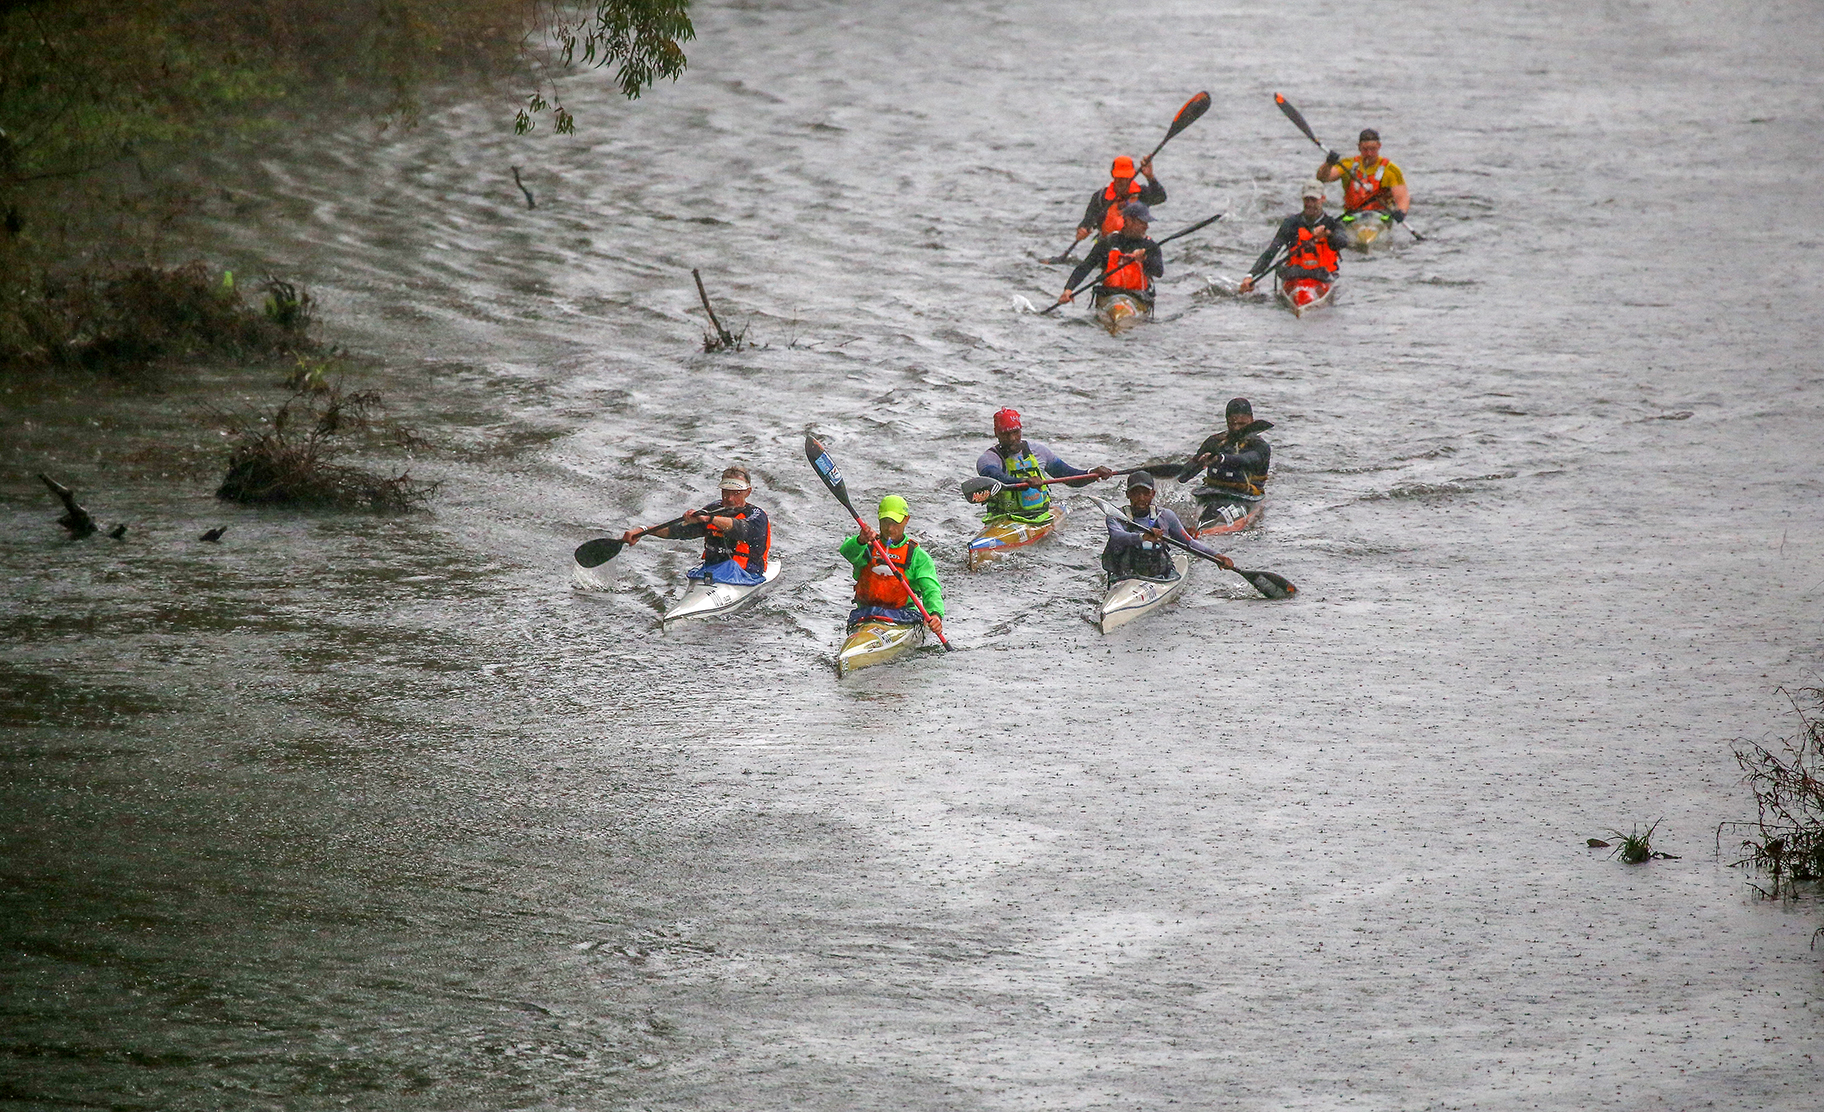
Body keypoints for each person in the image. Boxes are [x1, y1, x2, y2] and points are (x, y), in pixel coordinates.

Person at [621, 466, 770, 585]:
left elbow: (741, 528)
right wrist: (645, 530)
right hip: (711, 572)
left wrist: (709, 519)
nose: (730, 499)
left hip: (746, 575)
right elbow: (677, 531)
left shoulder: (757, 515)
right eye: (725, 492)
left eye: (736, 493)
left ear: (748, 492)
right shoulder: (713, 509)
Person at [976, 408, 1115, 520]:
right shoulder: (988, 459)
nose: (1012, 438)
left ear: (1020, 431)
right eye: (1006, 434)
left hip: (1040, 517)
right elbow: (997, 477)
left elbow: (1069, 476)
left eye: (1016, 432)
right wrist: (1024, 481)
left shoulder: (1039, 451)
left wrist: (1092, 473)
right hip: (1003, 520)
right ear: (996, 434)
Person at [840, 495, 944, 636]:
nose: (889, 528)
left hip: (903, 617)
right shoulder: (867, 545)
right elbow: (847, 552)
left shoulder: (917, 556)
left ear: (906, 520)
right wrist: (860, 540)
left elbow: (931, 590)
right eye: (885, 522)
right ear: (879, 519)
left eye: (895, 523)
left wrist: (935, 614)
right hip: (866, 614)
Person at [1101, 471, 1231, 581]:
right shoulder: (1115, 516)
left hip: (1158, 576)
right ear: (1127, 494)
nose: (1141, 498)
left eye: (1145, 493)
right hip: (1124, 576)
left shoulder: (1166, 516)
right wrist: (1143, 537)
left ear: (1153, 494)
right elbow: (1117, 536)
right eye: (1136, 493)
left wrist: (1217, 556)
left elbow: (1189, 543)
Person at [1237, 183, 1341, 294]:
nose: (1310, 204)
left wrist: (1328, 234)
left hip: (1324, 276)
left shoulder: (1332, 224)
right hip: (1295, 275)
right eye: (1307, 199)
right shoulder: (1291, 223)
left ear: (1323, 199)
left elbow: (1343, 241)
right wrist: (1250, 276)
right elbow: (1271, 251)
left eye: (1314, 200)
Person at [1060, 202, 1164, 306]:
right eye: (1142, 222)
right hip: (1109, 295)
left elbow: (1158, 272)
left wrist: (1144, 259)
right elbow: (1086, 266)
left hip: (1137, 297)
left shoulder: (1150, 246)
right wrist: (1068, 289)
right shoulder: (1108, 242)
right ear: (1128, 221)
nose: (1146, 227)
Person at [1181, 397, 1271, 498]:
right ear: (1227, 421)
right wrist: (1199, 463)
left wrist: (1221, 459)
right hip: (1212, 493)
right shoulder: (1214, 441)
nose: (1236, 428)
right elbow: (1183, 477)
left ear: (1251, 420)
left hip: (1246, 495)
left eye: (1242, 424)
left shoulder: (1260, 446)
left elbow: (1247, 459)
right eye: (1232, 424)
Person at [1315, 127, 1410, 220]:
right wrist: (1328, 164)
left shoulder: (1390, 170)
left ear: (1379, 146)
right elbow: (1323, 178)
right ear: (1359, 147)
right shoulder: (1348, 164)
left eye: (1373, 149)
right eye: (1365, 149)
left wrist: (1401, 212)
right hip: (1353, 218)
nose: (1369, 153)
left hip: (1380, 219)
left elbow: (1402, 197)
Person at [1074, 154, 1167, 245]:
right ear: (1113, 175)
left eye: (1126, 178)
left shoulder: (1141, 193)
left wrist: (1150, 177)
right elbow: (1087, 221)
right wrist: (1082, 230)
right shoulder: (1100, 197)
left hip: (1134, 246)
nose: (1123, 181)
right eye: (1119, 178)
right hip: (1106, 246)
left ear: (1133, 176)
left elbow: (1161, 197)